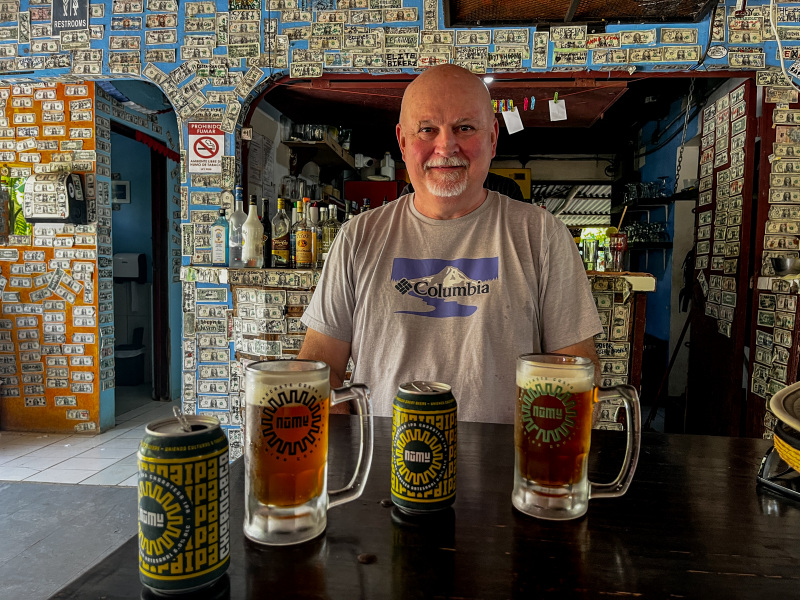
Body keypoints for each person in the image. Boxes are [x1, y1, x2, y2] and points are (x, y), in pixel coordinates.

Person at [298, 64, 602, 423]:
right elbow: (320, 369)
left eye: (465, 128)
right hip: (386, 458)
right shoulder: (357, 238)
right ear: (403, 142)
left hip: (507, 458)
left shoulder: (543, 235)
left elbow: (577, 369)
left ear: (492, 138)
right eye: (427, 129)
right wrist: (350, 446)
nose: (446, 146)